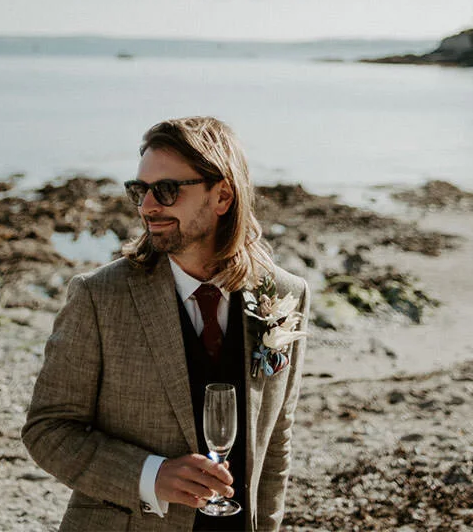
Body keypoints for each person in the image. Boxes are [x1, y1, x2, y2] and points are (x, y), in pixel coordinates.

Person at [23, 117, 308, 532]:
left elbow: (276, 440)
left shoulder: (286, 294)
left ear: (222, 196)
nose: (147, 206)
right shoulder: (99, 296)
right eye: (139, 191)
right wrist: (150, 475)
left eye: (167, 190)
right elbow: (48, 431)